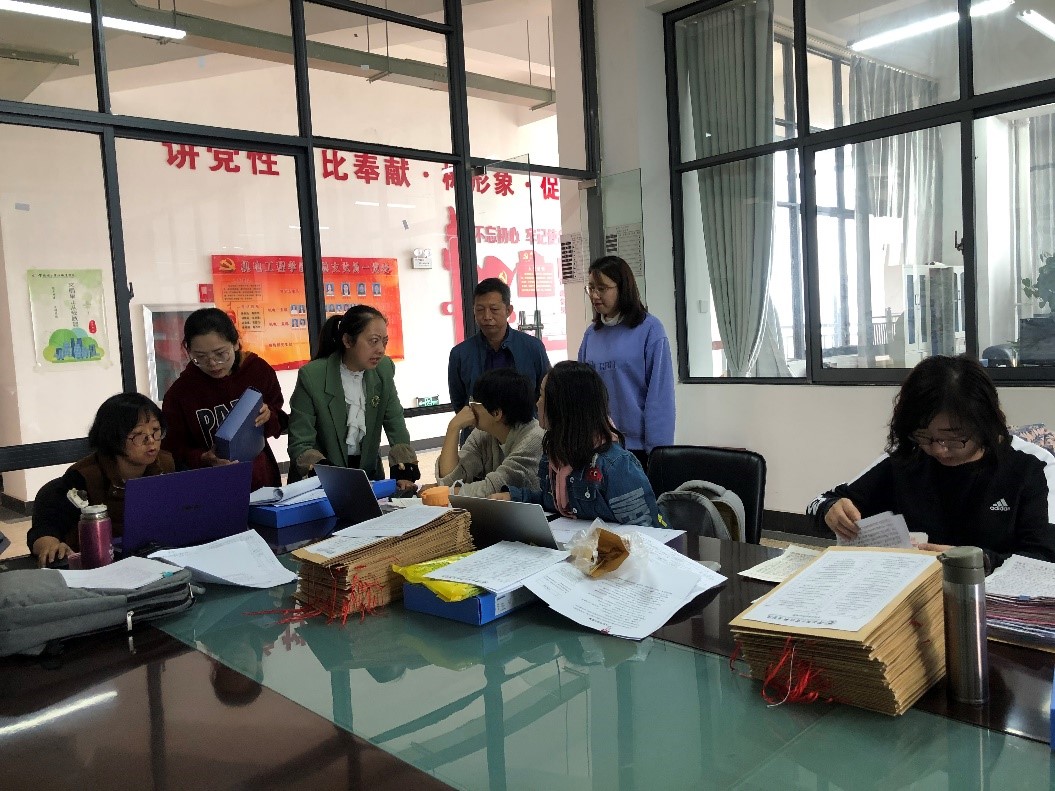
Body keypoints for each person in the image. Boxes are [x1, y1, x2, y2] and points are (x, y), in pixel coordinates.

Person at [808, 355, 1055, 571]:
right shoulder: (907, 459)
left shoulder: (1032, 467)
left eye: (954, 438)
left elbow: (1044, 558)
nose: (938, 449)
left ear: (984, 423)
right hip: (913, 591)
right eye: (925, 436)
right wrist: (830, 509)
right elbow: (820, 502)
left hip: (994, 596)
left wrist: (979, 561)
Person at [490, 361, 661, 527]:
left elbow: (647, 530)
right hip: (573, 543)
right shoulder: (555, 456)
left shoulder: (616, 466)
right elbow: (550, 501)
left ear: (562, 407)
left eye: (542, 395)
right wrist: (514, 497)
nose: (537, 403)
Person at [27, 393, 176, 566]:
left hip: (157, 559)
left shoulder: (168, 465)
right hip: (97, 566)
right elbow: (45, 528)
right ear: (113, 438)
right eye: (138, 434)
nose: (151, 441)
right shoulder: (82, 477)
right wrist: (50, 545)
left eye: (156, 431)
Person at [287, 304, 420, 486]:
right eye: (373, 341)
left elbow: (395, 422)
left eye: (384, 342)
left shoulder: (383, 369)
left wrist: (404, 470)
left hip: (368, 475)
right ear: (348, 341)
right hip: (318, 482)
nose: (381, 350)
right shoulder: (312, 376)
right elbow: (300, 443)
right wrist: (329, 477)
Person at [162, 308, 283, 490]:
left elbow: (280, 421)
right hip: (210, 486)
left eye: (220, 354)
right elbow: (172, 449)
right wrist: (203, 458)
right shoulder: (180, 393)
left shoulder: (257, 371)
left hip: (260, 479)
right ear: (188, 351)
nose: (212, 364)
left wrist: (269, 416)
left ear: (236, 343)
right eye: (200, 357)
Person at [577, 255, 675, 470]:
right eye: (591, 288)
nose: (594, 295)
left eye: (602, 288)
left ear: (623, 288)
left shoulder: (650, 330)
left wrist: (658, 452)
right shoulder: (591, 335)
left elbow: (660, 396)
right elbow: (581, 393)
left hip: (638, 447)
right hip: (598, 445)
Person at [448, 278, 551, 441]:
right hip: (478, 439)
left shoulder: (533, 348)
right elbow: (459, 402)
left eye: (494, 309)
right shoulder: (460, 354)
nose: (487, 316)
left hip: (525, 437)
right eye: (480, 310)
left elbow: (545, 392)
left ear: (508, 310)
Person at [429, 368, 544, 498]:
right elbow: (450, 480)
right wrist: (453, 428)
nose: (469, 408)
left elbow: (493, 489)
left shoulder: (534, 439)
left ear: (496, 413)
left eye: (474, 402)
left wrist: (442, 492)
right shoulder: (483, 433)